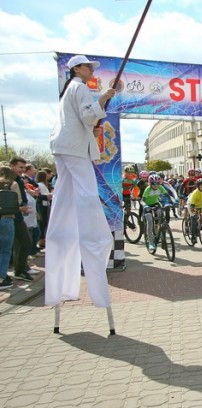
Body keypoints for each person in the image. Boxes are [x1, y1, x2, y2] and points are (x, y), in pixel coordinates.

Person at [45, 54, 117, 308]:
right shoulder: (81, 87)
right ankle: (94, 234)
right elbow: (88, 116)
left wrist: (93, 127)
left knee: (65, 201)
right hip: (74, 149)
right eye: (88, 66)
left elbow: (84, 121)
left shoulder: (71, 90)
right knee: (87, 196)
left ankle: (74, 230)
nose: (91, 70)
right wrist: (105, 97)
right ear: (77, 68)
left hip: (65, 147)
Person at [9, 158, 36, 281]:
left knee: (20, 243)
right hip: (14, 215)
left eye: (24, 168)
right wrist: (21, 207)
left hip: (18, 215)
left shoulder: (18, 179)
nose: (23, 170)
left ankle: (20, 269)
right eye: (20, 167)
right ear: (12, 166)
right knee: (25, 242)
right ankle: (20, 270)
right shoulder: (10, 180)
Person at [0, 165, 21, 290]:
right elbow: (18, 201)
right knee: (5, 250)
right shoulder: (13, 184)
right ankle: (2, 278)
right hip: (7, 218)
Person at [141, 174, 174, 251]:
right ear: (150, 183)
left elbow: (167, 195)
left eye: (157, 183)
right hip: (147, 205)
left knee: (161, 217)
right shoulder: (147, 189)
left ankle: (162, 234)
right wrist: (145, 206)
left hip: (156, 204)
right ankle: (151, 242)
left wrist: (172, 201)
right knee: (149, 221)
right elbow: (142, 201)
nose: (156, 186)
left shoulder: (161, 187)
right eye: (153, 184)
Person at [187, 179, 202, 245]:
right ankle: (193, 237)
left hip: (200, 205)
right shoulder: (195, 192)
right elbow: (192, 203)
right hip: (191, 205)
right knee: (194, 220)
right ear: (198, 187)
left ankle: (198, 227)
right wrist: (193, 210)